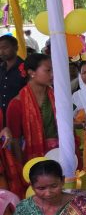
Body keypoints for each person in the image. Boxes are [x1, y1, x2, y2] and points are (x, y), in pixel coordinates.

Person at [4, 54, 59, 197]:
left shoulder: (58, 96)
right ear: (31, 73)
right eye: (48, 70)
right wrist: (23, 169)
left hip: (60, 154)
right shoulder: (16, 104)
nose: (52, 74)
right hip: (33, 161)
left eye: (53, 70)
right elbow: (15, 141)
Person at [0, 34, 27, 114]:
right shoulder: (1, 68)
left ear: (16, 48)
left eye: (5, 48)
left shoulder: (26, 68)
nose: (1, 52)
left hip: (19, 113)